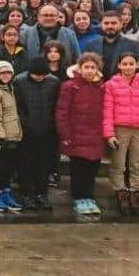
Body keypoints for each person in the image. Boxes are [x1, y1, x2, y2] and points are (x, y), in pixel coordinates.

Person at [57, 52, 106, 216]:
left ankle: (89, 197)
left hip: (95, 136)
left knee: (92, 169)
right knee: (78, 170)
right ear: (80, 68)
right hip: (76, 135)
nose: (89, 70)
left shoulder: (101, 86)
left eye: (93, 67)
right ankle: (79, 198)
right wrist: (65, 135)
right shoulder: (70, 86)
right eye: (86, 67)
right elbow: (62, 112)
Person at [12, 56, 60, 210]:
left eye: (42, 75)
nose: (39, 78)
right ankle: (27, 194)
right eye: (36, 75)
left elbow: (56, 106)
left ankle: (42, 194)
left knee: (43, 165)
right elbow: (17, 108)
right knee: (25, 164)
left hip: (47, 132)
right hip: (27, 132)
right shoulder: (19, 81)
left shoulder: (53, 82)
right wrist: (26, 125)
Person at [102, 51, 139, 215]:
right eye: (125, 64)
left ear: (137, 65)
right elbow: (107, 110)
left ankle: (134, 193)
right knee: (118, 163)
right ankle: (121, 193)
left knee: (136, 164)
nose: (128, 67)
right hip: (120, 129)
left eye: (131, 63)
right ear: (119, 65)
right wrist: (109, 134)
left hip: (137, 129)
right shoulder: (111, 84)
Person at [0, 61, 23, 213]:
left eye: (8, 72)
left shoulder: (11, 89)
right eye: (2, 73)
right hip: (1, 137)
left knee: (7, 169)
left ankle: (6, 193)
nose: (6, 75)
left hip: (13, 135)